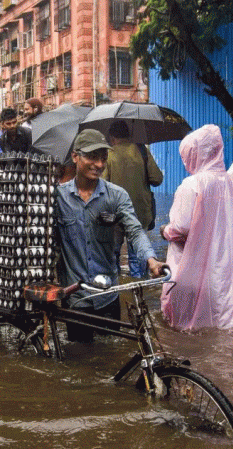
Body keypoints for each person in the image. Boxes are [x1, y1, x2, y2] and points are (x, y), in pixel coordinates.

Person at [54, 129, 166, 342]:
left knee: (110, 355)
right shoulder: (57, 197)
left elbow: (134, 231)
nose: (99, 164)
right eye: (92, 157)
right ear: (75, 156)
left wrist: (151, 261)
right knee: (80, 359)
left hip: (107, 295)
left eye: (103, 158)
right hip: (75, 298)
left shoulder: (116, 195)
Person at [160, 125, 233, 330]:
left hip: (194, 270)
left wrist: (165, 231)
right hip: (230, 270)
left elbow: (181, 228)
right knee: (226, 327)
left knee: (188, 328)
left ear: (195, 155)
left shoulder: (192, 185)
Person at [102, 120, 164, 278]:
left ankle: (116, 293)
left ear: (112, 137)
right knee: (138, 257)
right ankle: (139, 294)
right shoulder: (141, 150)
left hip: (114, 215)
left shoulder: (108, 154)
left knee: (113, 257)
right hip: (140, 213)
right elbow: (157, 179)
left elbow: (102, 186)